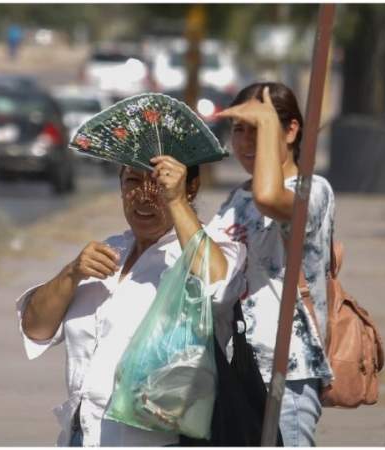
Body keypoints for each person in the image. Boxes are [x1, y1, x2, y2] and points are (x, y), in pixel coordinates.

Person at [16, 156, 245, 446]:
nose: (145, 195)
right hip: (82, 435)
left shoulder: (211, 251)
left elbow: (219, 286)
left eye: (159, 183)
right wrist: (71, 273)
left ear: (191, 188)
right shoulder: (110, 251)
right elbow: (35, 328)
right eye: (133, 181)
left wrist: (175, 202)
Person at [209, 82, 335, 446]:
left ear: (291, 129)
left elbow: (270, 197)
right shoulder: (236, 197)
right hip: (235, 369)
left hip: (286, 374)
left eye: (259, 129)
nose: (246, 142)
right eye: (239, 130)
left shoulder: (313, 190)